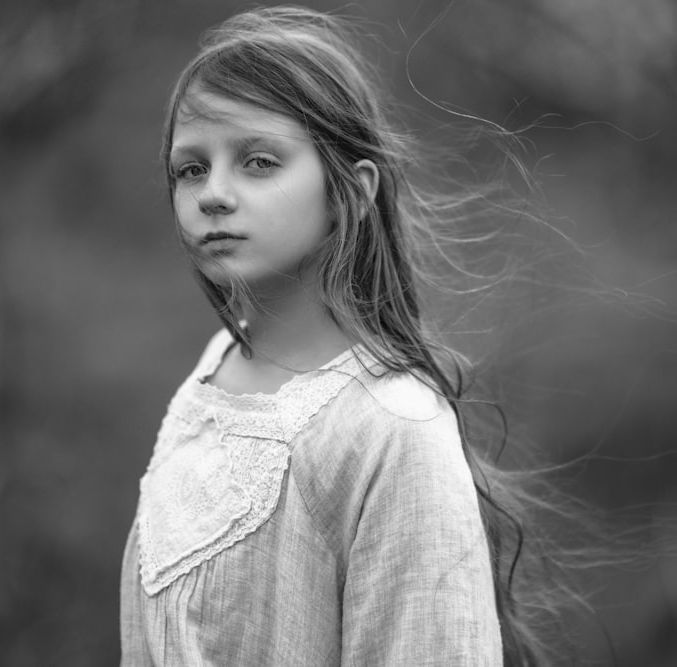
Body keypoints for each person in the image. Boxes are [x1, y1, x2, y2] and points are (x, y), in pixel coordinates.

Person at [120, 6, 544, 666]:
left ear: (349, 192)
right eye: (191, 168)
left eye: (259, 161)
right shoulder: (216, 370)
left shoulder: (390, 430)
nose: (214, 194)